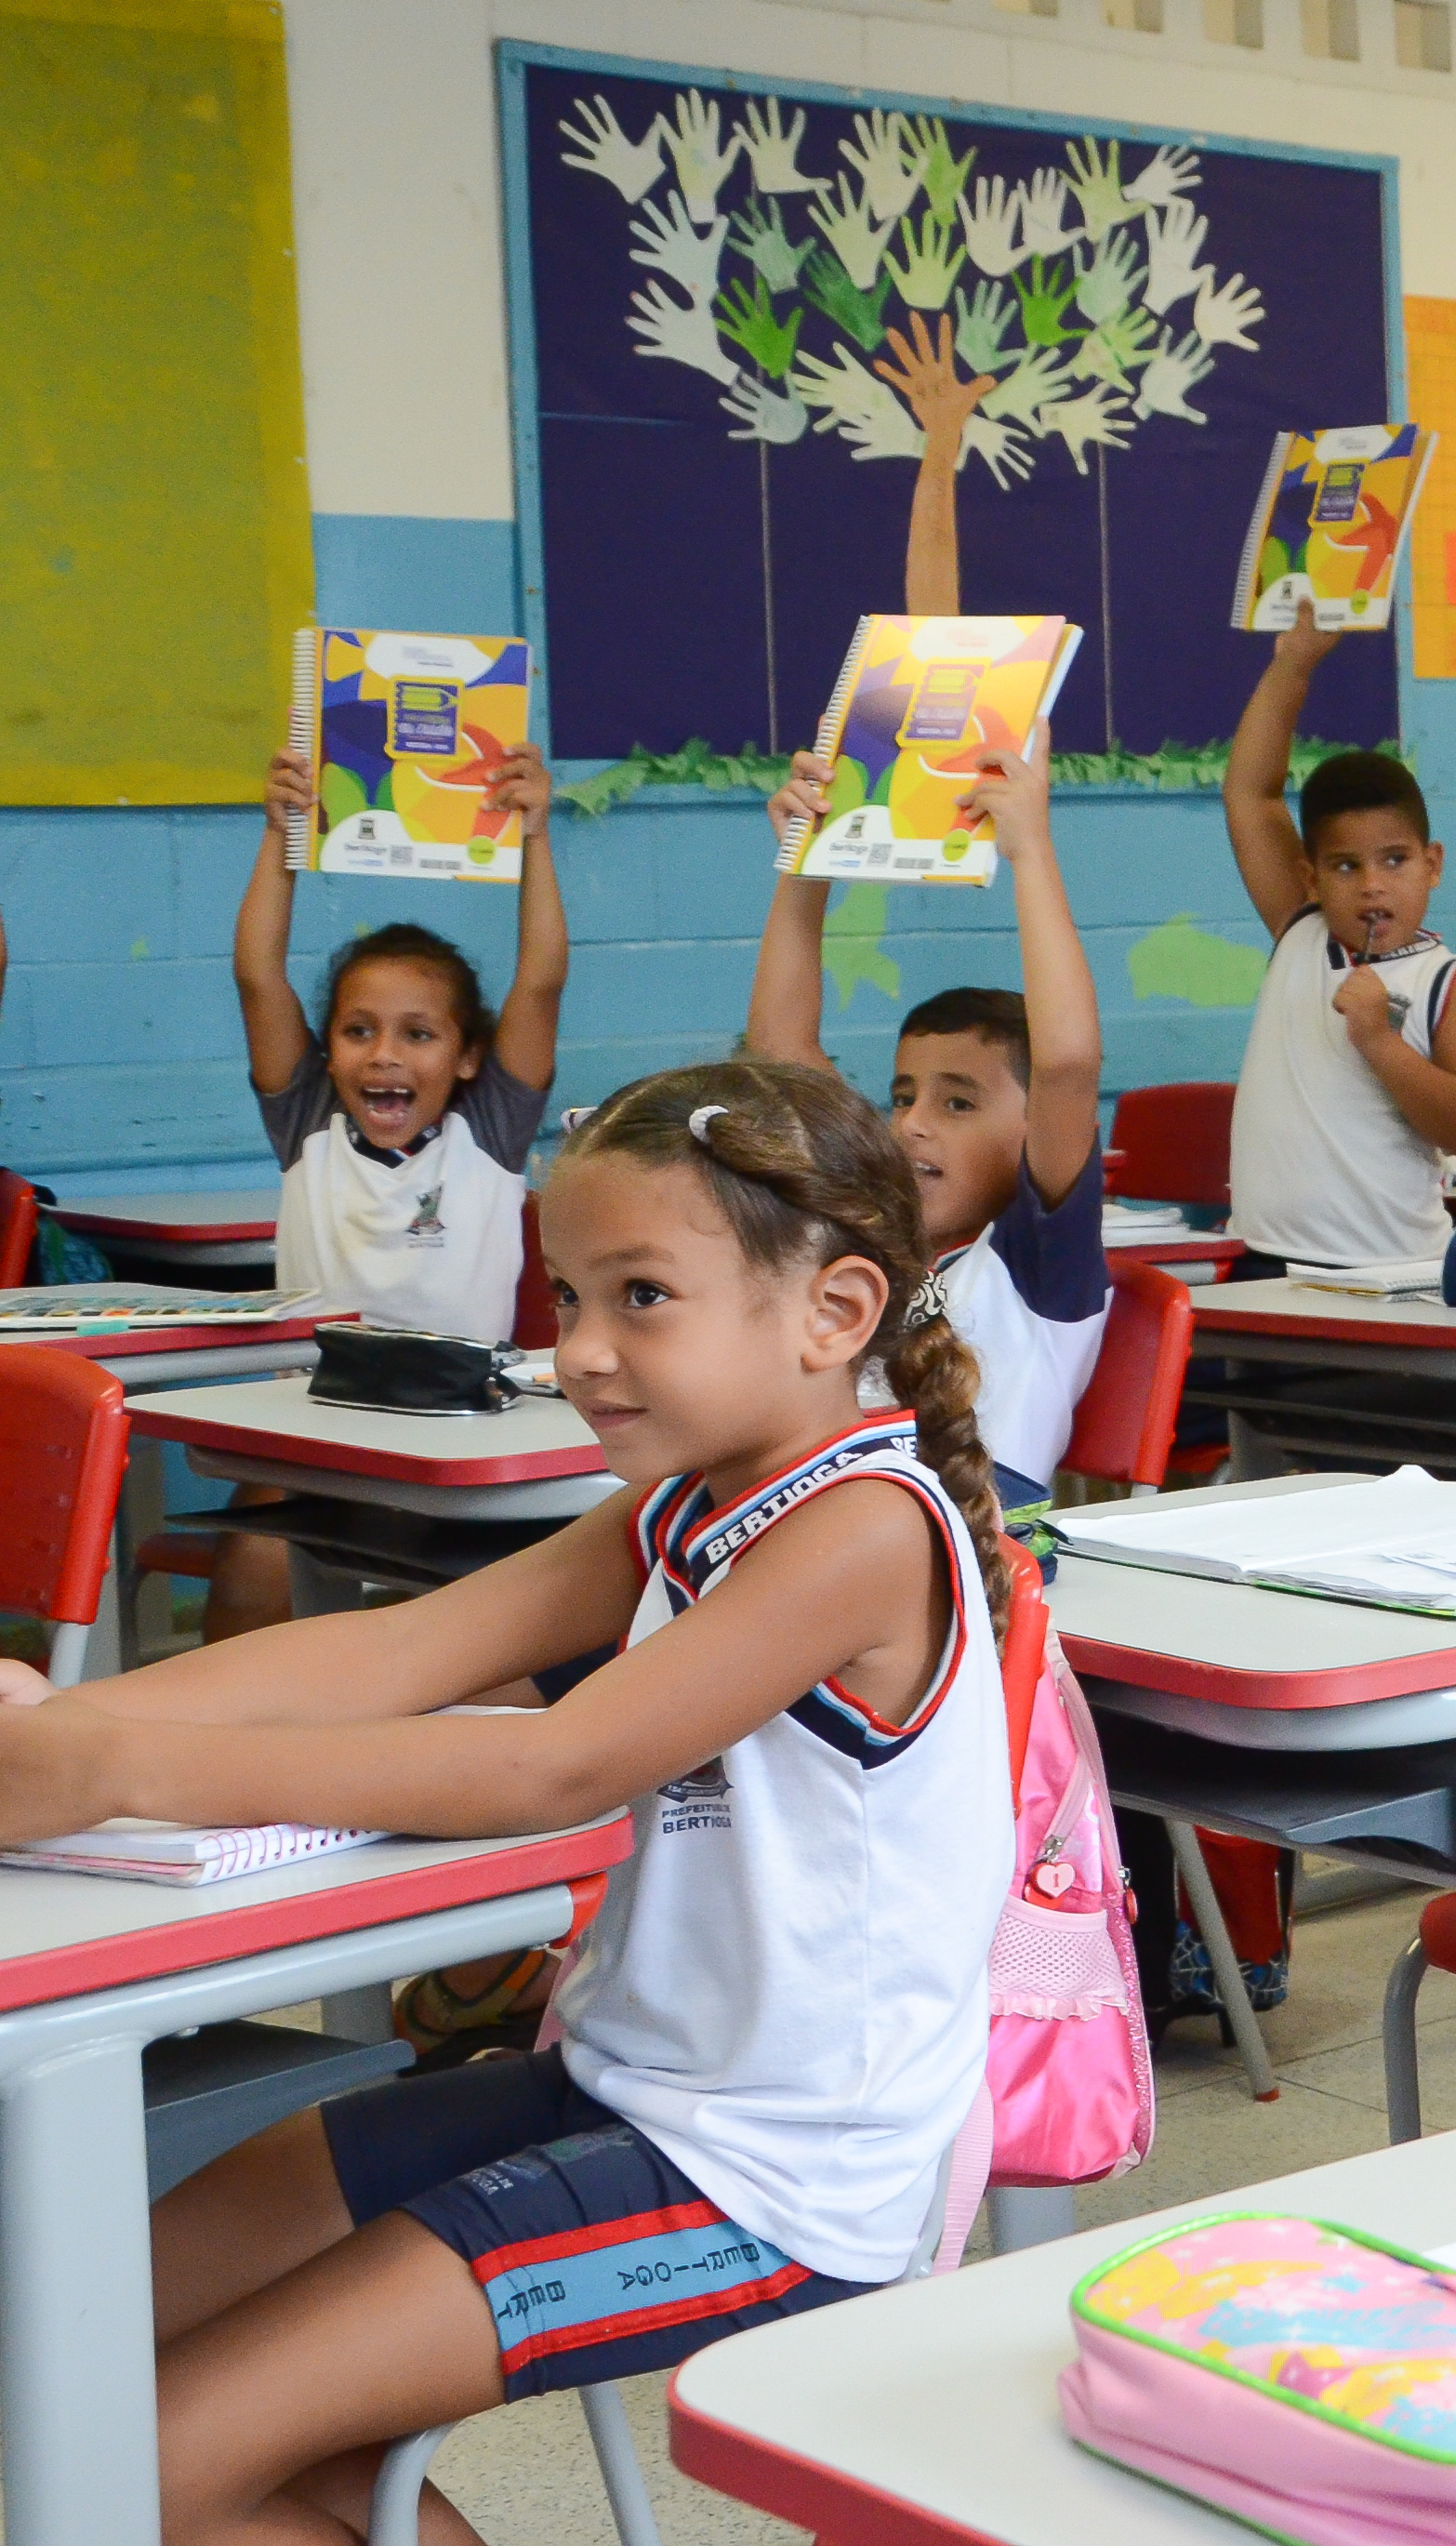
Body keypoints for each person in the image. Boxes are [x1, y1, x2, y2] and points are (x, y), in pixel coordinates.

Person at [5, 1061, 1010, 2544]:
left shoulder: (864, 1525)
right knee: (69, 2356)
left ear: (836, 1315)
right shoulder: (685, 1502)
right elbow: (402, 1648)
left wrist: (113, 1771)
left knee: (127, 2467)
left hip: (773, 2187)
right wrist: (67, 1720)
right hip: (609, 2090)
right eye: (566, 1298)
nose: (583, 1353)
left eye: (641, 1297)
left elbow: (556, 1765)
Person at [231, 733, 570, 1644]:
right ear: (328, 1047)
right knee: (259, 1559)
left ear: (465, 1058)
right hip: (310, 1418)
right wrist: (281, 838)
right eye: (359, 1030)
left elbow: (540, 980)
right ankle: (228, 1761)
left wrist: (535, 837)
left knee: (452, 1617)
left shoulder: (486, 1134)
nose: (384, 1054)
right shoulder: (306, 1123)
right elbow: (259, 973)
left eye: (418, 1035)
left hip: (461, 1424)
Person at [748, 738, 1107, 1511]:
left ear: (1032, 1125)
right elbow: (781, 1051)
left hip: (971, 1549)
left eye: (958, 1103)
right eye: (902, 1094)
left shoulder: (1032, 1267)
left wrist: (1032, 852)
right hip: (839, 1516)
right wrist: (807, 859)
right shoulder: (875, 1241)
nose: (910, 1124)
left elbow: (1069, 1062)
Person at [1218, 606, 1456, 1273]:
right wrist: (1294, 662)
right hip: (1262, 1257)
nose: (1372, 886)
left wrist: (1380, 1042)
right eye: (1346, 867)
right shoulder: (1300, 927)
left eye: (1395, 861)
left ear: (1432, 864)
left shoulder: (1450, 981)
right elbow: (1250, 796)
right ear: (1310, 876)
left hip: (1387, 1274)